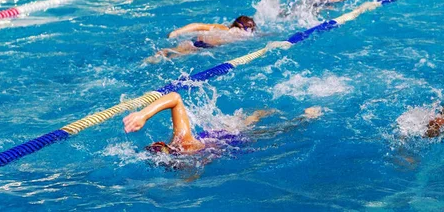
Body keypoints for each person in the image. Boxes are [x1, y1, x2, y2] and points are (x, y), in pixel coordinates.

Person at [123, 92, 322, 163]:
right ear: (161, 143)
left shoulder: (186, 163)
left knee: (275, 133)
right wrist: (143, 114)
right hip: (223, 139)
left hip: (222, 143)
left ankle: (305, 118)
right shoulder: (181, 140)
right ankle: (303, 117)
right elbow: (175, 98)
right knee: (273, 130)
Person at [145, 15, 256, 63]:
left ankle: (158, 56)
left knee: (174, 54)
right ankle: (158, 56)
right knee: (175, 54)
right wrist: (177, 32)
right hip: (201, 45)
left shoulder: (232, 32)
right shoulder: (224, 28)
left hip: (200, 44)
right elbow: (198, 25)